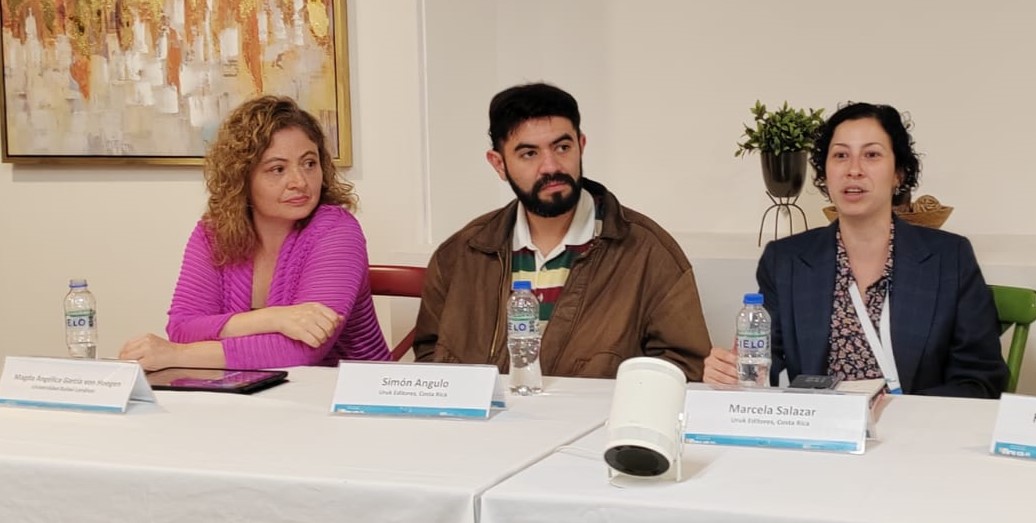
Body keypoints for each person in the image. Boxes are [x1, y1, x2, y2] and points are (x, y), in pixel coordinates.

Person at [704, 102, 1007, 398]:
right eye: (840, 155)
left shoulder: (949, 258)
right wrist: (731, 373)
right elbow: (762, 365)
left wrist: (901, 411)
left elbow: (981, 380)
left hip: (914, 427)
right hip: (821, 426)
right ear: (824, 173)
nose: (854, 170)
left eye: (872, 155)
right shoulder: (786, 261)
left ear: (899, 173)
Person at [412, 82, 711, 380]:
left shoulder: (648, 252)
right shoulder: (460, 255)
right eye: (529, 154)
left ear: (581, 146)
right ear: (499, 164)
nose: (551, 167)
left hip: (601, 414)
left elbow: (685, 370)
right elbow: (430, 365)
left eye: (562, 147)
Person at [120, 96, 390, 370]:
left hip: (348, 392)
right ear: (242, 177)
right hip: (253, 390)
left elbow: (303, 351)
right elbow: (183, 328)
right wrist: (273, 318)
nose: (299, 181)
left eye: (309, 163)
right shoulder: (213, 233)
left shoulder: (337, 230)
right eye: (278, 169)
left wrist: (178, 355)